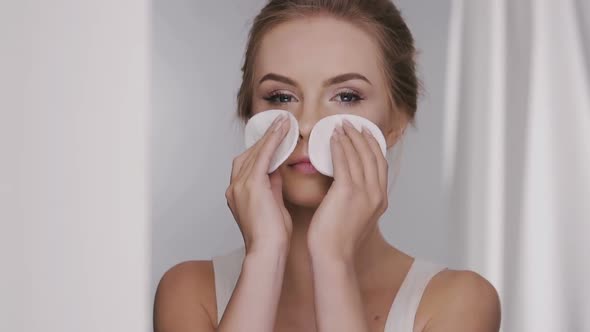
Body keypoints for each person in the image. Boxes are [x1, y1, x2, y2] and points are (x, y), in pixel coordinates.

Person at [153, 1, 501, 331]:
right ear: (250, 115)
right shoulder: (189, 293)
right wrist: (264, 257)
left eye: (346, 96)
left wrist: (332, 259)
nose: (306, 123)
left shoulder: (457, 303)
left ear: (396, 122)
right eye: (281, 97)